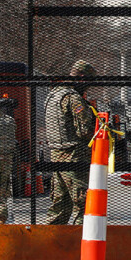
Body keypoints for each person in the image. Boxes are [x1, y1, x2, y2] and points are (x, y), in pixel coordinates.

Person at [44, 60, 96, 226]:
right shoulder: (73, 98)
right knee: (83, 205)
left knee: (59, 205)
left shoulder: (53, 95)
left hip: (56, 154)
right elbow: (84, 131)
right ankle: (81, 242)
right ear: (82, 78)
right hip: (74, 155)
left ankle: (49, 242)